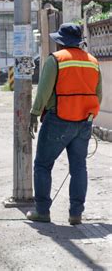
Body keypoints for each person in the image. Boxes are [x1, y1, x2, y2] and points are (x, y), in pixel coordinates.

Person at [27, 23, 102, 225]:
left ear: (61, 42)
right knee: (79, 167)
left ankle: (42, 211)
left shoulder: (56, 60)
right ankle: (76, 214)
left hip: (58, 120)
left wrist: (34, 113)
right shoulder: (93, 62)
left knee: (43, 164)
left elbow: (43, 90)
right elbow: (98, 95)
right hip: (84, 122)